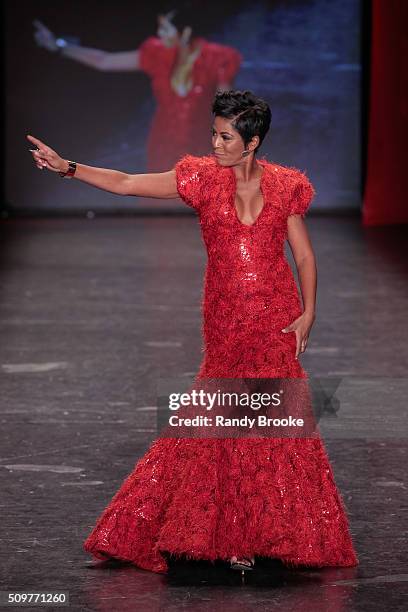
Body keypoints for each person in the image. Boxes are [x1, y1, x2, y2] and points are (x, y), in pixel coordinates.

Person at [26, 89, 359, 576]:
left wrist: (309, 313)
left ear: (252, 142)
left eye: (225, 136)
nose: (216, 142)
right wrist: (69, 168)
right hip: (225, 319)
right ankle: (225, 535)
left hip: (275, 320)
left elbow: (303, 256)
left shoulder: (286, 185)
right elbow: (125, 182)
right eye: (214, 133)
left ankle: (264, 534)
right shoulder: (199, 178)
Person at [33, 14, 242, 172]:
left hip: (200, 144)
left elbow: (227, 110)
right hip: (163, 142)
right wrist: (59, 46)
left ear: (184, 31)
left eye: (165, 28)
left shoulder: (216, 58)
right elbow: (104, 60)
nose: (160, 34)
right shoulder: (157, 53)